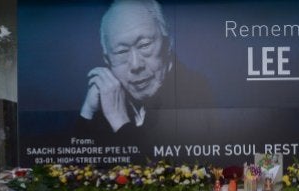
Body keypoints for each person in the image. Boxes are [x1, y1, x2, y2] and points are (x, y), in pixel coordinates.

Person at [78, 0, 213, 141]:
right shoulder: (108, 96)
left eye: (144, 45)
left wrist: (119, 121)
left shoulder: (197, 91)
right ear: (107, 60)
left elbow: (165, 162)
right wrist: (88, 111)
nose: (136, 65)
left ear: (168, 43)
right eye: (121, 51)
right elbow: (76, 160)